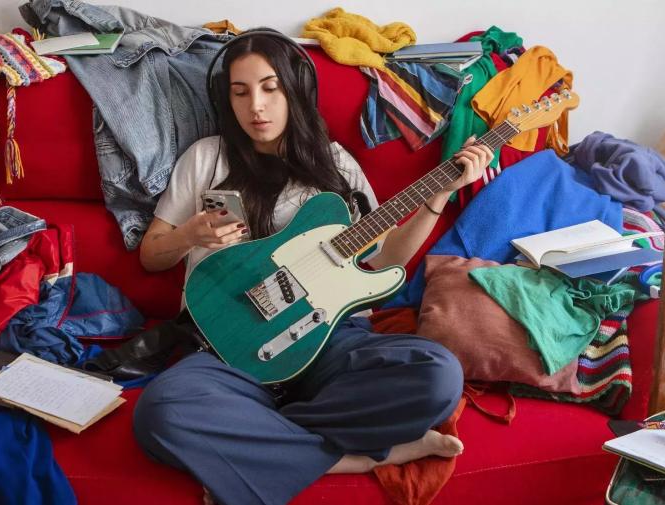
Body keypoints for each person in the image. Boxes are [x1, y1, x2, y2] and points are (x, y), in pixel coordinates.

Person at [132, 28, 493, 505]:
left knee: (439, 375)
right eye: (240, 93)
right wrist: (188, 236)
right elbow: (151, 255)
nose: (256, 106)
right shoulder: (205, 158)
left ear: (295, 90)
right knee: (160, 411)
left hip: (330, 342)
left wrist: (439, 195)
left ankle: (258, 444)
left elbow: (384, 261)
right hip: (229, 349)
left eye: (270, 88)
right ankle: (360, 457)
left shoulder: (336, 164)